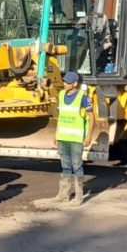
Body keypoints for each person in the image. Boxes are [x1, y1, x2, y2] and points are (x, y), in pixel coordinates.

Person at [51, 71, 91, 206]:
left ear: (75, 84)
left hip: (76, 139)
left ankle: (79, 197)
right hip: (63, 138)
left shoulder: (82, 97)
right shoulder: (61, 95)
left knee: (77, 166)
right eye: (64, 81)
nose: (64, 83)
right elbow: (61, 117)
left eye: (67, 82)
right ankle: (63, 195)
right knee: (65, 167)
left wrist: (89, 136)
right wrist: (56, 135)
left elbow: (92, 118)